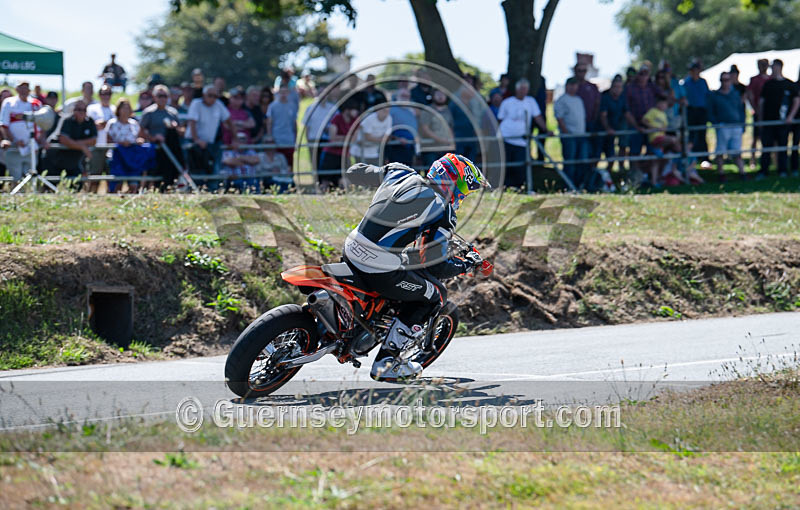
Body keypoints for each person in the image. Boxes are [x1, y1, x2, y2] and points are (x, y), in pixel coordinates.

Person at [342, 153, 490, 381]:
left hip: (351, 247)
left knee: (402, 263)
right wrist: (466, 265)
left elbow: (354, 172)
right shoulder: (443, 210)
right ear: (453, 182)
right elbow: (435, 266)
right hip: (377, 266)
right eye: (465, 189)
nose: (464, 195)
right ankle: (386, 362)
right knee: (434, 294)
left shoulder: (399, 170)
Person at [497, 78, 548, 189]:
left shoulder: (531, 102)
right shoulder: (507, 102)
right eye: (521, 89)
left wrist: (546, 130)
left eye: (525, 89)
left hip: (522, 141)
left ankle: (520, 187)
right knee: (507, 165)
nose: (523, 91)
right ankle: (505, 187)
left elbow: (538, 117)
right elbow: (499, 120)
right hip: (506, 138)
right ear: (517, 89)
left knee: (520, 166)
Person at [186, 85, 238, 190]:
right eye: (210, 95)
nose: (213, 98)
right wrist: (197, 140)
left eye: (215, 96)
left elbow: (229, 121)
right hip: (194, 143)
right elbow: (192, 123)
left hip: (211, 145)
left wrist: (235, 139)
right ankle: (195, 192)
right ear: (204, 95)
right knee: (196, 171)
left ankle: (212, 192)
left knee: (214, 170)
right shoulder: (196, 104)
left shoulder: (218, 105)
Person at [759, 59, 800, 178]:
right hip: (768, 122)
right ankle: (763, 171)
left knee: (783, 147)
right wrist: (761, 119)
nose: (773, 70)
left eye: (775, 67)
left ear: (780, 67)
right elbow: (762, 102)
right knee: (766, 148)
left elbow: (797, 101)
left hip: (783, 122)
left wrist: (790, 116)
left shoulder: (789, 84)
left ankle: (782, 171)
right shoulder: (768, 84)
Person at [105, 99, 155, 193]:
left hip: (132, 156)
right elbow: (107, 139)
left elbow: (140, 137)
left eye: (128, 108)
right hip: (117, 156)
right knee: (117, 184)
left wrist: (139, 141)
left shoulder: (134, 123)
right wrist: (120, 144)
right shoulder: (112, 123)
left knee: (133, 185)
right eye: (123, 108)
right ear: (118, 109)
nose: (126, 110)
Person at [140, 84, 184, 189]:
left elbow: (182, 131)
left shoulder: (173, 112)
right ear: (154, 97)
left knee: (171, 172)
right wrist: (153, 138)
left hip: (171, 149)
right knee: (154, 173)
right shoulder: (148, 113)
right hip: (155, 149)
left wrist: (175, 127)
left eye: (165, 96)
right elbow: (140, 131)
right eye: (160, 96)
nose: (162, 98)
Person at [0, 82, 42, 184]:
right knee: (16, 179)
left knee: (31, 178)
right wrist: (14, 140)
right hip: (14, 147)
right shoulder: (9, 102)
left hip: (32, 148)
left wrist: (39, 141)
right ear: (17, 89)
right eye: (21, 88)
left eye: (26, 88)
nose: (24, 90)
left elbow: (42, 124)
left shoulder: (35, 103)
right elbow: (4, 125)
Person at [47, 100, 97, 184]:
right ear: (73, 110)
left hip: (74, 162)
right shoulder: (66, 120)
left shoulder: (89, 121)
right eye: (79, 109)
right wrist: (82, 147)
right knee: (52, 186)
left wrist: (76, 144)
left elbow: (93, 140)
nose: (82, 112)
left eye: (84, 110)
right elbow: (63, 139)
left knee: (76, 185)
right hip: (56, 159)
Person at [707, 72, 745, 182]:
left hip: (736, 126)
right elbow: (710, 112)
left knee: (737, 152)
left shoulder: (735, 94)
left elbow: (741, 110)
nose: (725, 82)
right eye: (723, 80)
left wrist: (742, 124)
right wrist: (716, 124)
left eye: (727, 80)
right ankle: (721, 173)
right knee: (720, 151)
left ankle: (742, 173)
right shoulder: (715, 96)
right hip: (722, 127)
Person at [554, 78, 588, 188]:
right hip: (569, 136)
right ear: (566, 86)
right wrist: (565, 131)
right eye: (571, 85)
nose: (573, 87)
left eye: (575, 85)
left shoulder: (579, 100)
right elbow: (559, 118)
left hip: (581, 135)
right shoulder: (562, 100)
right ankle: (569, 185)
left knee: (581, 161)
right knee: (570, 162)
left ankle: (579, 184)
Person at [319, 102, 359, 190]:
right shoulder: (337, 118)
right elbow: (332, 137)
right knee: (326, 179)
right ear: (347, 110)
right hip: (331, 154)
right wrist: (347, 137)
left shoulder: (354, 121)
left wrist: (341, 138)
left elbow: (354, 139)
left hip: (344, 154)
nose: (356, 112)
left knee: (344, 179)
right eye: (354, 109)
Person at [302, 90, 338, 175]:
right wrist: (307, 141)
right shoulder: (310, 108)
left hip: (327, 140)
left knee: (326, 162)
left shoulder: (332, 108)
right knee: (315, 162)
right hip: (313, 139)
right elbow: (307, 126)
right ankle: (316, 182)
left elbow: (336, 122)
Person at [419, 89, 455, 167]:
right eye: (438, 94)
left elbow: (450, 127)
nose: (440, 96)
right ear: (433, 96)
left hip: (445, 149)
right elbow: (425, 128)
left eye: (442, 94)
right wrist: (439, 139)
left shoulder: (448, 110)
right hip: (431, 149)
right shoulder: (428, 110)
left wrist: (452, 142)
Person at [599, 75, 628, 174]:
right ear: (611, 87)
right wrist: (608, 128)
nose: (617, 89)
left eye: (619, 87)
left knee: (618, 149)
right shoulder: (605, 97)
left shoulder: (622, 98)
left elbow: (627, 113)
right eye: (615, 86)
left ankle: (615, 174)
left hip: (615, 128)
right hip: (603, 130)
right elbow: (603, 115)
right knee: (601, 154)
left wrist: (637, 126)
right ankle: (598, 176)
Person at [682, 61, 710, 158]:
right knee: (691, 135)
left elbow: (707, 96)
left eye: (696, 70)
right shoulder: (686, 83)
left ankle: (704, 157)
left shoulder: (703, 82)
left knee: (702, 134)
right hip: (691, 111)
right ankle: (692, 157)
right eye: (693, 70)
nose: (695, 72)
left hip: (702, 111)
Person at [266, 84, 298, 168]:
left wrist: (296, 138)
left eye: (285, 92)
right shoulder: (272, 106)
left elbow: (294, 123)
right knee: (277, 163)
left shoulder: (293, 106)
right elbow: (269, 122)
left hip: (289, 139)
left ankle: (290, 179)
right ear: (278, 93)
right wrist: (270, 136)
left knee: (290, 163)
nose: (283, 94)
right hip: (277, 139)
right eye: (281, 92)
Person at [746, 58, 770, 169]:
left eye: (764, 64)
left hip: (769, 114)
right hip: (757, 113)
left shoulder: (771, 79)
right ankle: (753, 160)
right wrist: (757, 110)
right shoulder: (754, 80)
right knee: (756, 138)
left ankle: (773, 160)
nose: (762, 66)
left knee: (771, 139)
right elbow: (749, 95)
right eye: (761, 64)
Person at [388, 87, 418, 167]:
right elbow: (386, 130)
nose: (405, 98)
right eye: (403, 95)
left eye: (407, 96)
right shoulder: (391, 109)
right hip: (395, 147)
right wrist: (397, 139)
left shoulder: (411, 110)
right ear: (397, 96)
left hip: (410, 147)